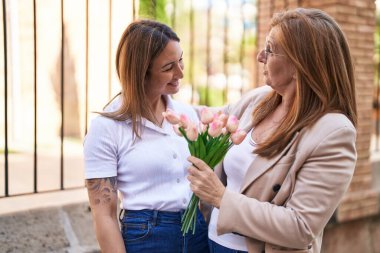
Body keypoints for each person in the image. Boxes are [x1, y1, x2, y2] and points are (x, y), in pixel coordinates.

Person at [187, 8, 357, 253]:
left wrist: (221, 198)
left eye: (270, 49)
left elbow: (300, 227)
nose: (259, 56)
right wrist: (143, 99)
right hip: (210, 242)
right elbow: (202, 118)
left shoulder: (333, 132)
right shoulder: (260, 100)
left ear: (299, 65)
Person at [83, 20, 209, 253]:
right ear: (142, 72)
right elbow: (104, 217)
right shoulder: (106, 127)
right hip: (147, 236)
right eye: (168, 67)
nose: (180, 72)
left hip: (196, 232)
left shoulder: (186, 114)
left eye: (180, 60)